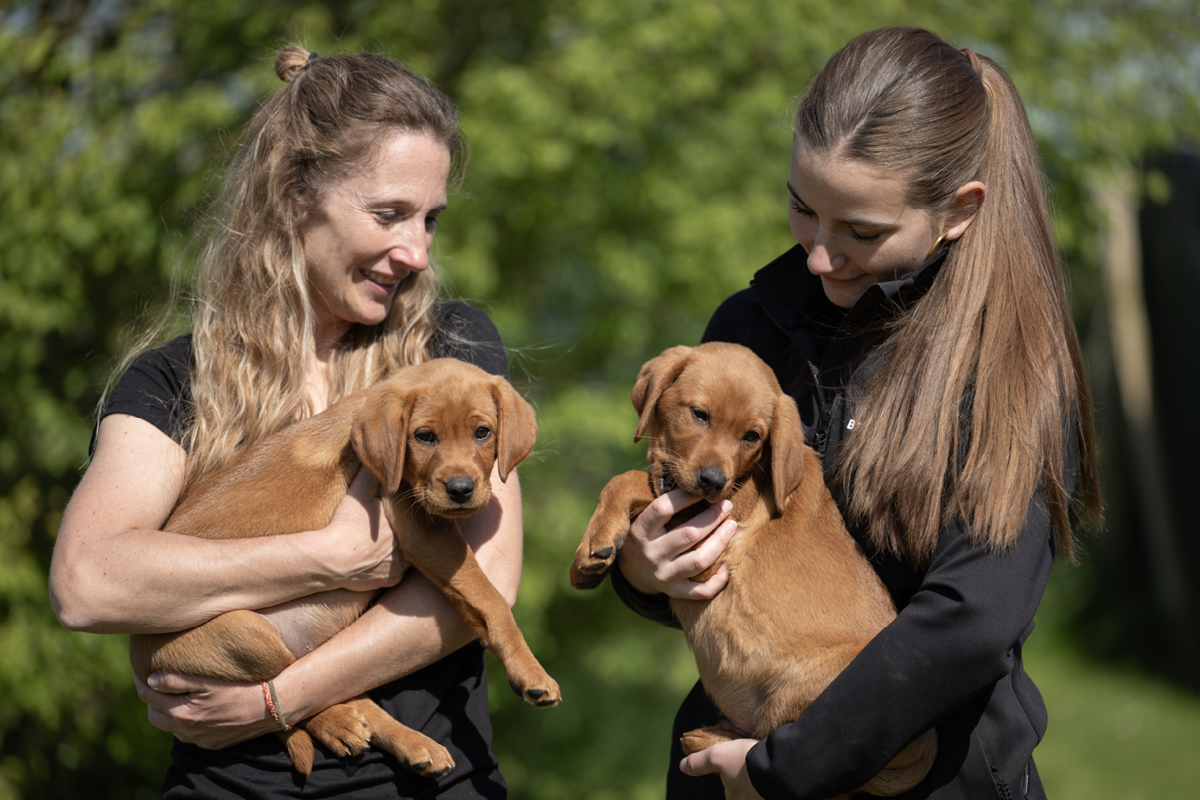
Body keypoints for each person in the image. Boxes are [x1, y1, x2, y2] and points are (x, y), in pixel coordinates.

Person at [609, 26, 1101, 800]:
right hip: (733, 757)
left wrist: (789, 768)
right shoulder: (752, 327)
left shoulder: (1007, 373)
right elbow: (700, 531)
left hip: (915, 776)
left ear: (959, 211)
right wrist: (640, 570)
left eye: (861, 232)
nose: (817, 255)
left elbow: (970, 620)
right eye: (803, 209)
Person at [50, 46, 520, 799]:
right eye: (389, 214)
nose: (418, 252)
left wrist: (281, 699)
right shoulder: (179, 380)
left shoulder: (446, 355)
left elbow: (487, 583)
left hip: (430, 783)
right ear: (295, 195)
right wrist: (328, 556)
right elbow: (86, 582)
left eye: (431, 219)